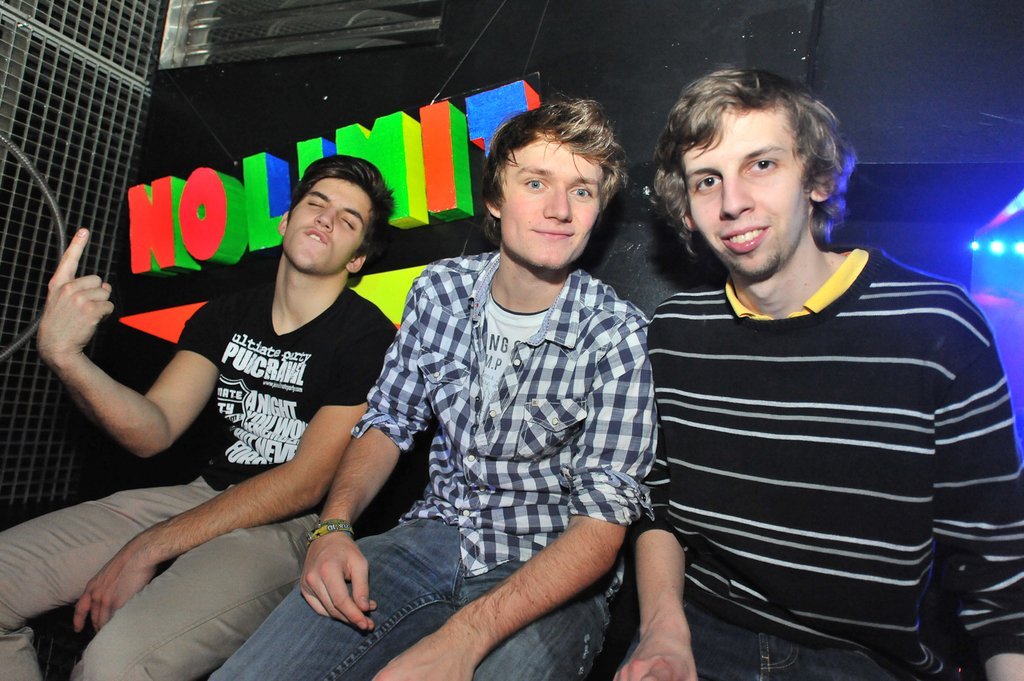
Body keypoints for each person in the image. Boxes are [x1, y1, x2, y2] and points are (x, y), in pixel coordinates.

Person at [212, 99, 657, 681]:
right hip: (429, 539)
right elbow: (387, 422)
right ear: (494, 199)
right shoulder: (438, 291)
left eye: (582, 191)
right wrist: (333, 526)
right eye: (535, 182)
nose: (559, 209)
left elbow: (600, 528)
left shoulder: (618, 335)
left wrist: (463, 639)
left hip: (550, 570)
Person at [616, 68, 1024, 681]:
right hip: (705, 635)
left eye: (761, 164)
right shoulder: (675, 332)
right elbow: (658, 507)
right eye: (708, 180)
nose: (732, 202)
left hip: (866, 660)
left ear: (818, 178)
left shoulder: (935, 325)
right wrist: (662, 632)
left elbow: (996, 562)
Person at [0, 154, 398, 681]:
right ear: (285, 222)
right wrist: (67, 359)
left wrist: (150, 545)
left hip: (287, 528)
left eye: (347, 221)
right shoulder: (226, 313)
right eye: (316, 204)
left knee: (112, 667)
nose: (325, 219)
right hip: (200, 496)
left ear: (357, 259)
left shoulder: (369, 337)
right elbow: (153, 429)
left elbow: (306, 482)